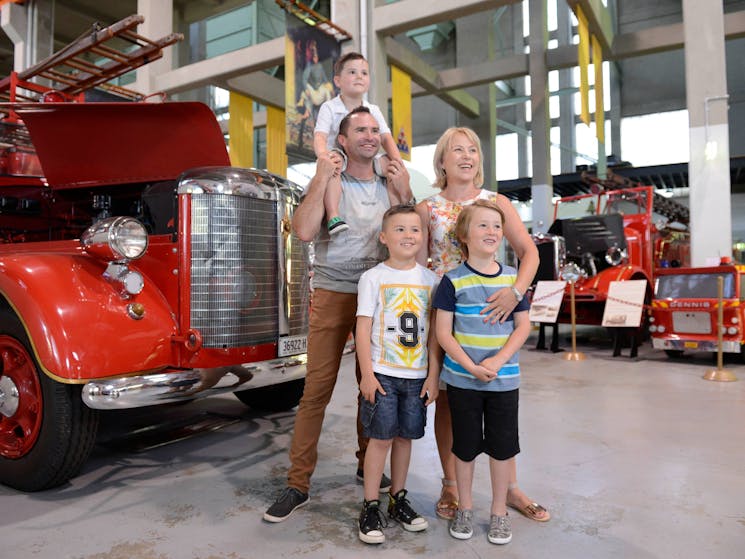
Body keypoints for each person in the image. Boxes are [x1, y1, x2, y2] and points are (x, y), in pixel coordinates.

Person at [263, 106, 413, 523]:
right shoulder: (330, 180)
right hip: (333, 292)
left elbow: (411, 233)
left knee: (375, 387)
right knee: (316, 392)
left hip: (381, 298)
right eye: (358, 130)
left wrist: (404, 191)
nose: (368, 135)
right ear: (342, 141)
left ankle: (368, 466)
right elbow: (305, 230)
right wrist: (319, 178)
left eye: (372, 129)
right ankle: (298, 483)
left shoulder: (389, 180)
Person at [414, 127, 550, 523]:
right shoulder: (427, 208)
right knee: (449, 403)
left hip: (491, 316)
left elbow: (529, 253)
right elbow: (421, 266)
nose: (466, 155)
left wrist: (515, 294)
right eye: (457, 150)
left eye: (472, 149)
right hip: (445, 312)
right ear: (441, 160)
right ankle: (451, 486)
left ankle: (510, 488)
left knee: (501, 401)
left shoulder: (497, 203)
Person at [433, 199, 532, 544]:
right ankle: (465, 508)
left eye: (496, 226)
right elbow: (443, 333)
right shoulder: (452, 281)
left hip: (504, 381)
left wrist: (496, 361)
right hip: (463, 380)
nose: (491, 232)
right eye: (482, 225)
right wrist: (471, 366)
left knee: (503, 448)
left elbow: (522, 328)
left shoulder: (511, 280)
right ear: (463, 234)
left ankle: (499, 512)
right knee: (465, 446)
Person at [355, 204, 439, 544]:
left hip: (417, 375)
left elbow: (434, 334)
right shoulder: (373, 278)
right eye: (400, 229)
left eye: (414, 229)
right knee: (380, 438)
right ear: (384, 237)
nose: (408, 235)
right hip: (384, 374)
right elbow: (363, 329)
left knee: (406, 438)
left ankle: (397, 499)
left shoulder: (432, 280)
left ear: (423, 237)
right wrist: (367, 374)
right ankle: (370, 504)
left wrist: (433, 376)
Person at [314, 52, 402, 235]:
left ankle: (397, 213)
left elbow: (386, 138)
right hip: (339, 154)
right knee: (334, 168)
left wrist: (398, 163)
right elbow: (320, 136)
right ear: (338, 81)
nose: (359, 76)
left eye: (364, 73)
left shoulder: (373, 109)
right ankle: (333, 216)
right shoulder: (329, 107)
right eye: (352, 72)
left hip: (365, 157)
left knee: (389, 165)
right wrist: (324, 157)